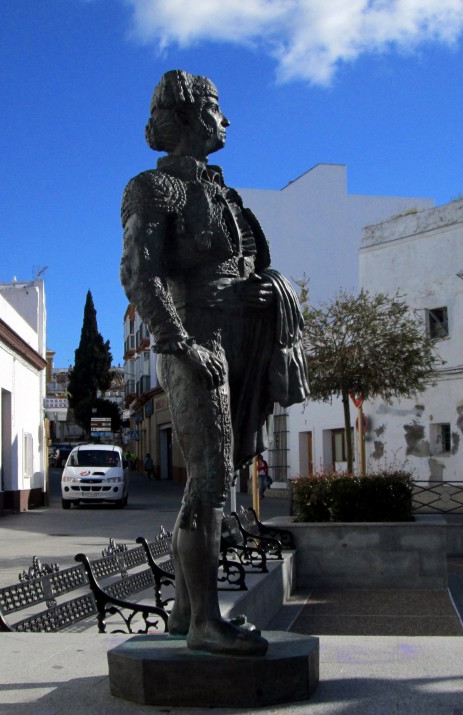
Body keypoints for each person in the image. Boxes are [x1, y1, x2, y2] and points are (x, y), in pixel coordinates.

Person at [120, 70, 308, 656]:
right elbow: (138, 275)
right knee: (207, 482)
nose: (226, 121)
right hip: (197, 341)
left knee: (216, 480)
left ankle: (183, 613)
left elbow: (240, 268)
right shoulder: (153, 188)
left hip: (238, 342)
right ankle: (206, 622)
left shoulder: (224, 193)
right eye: (216, 109)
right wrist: (180, 343)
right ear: (188, 117)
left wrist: (263, 289)